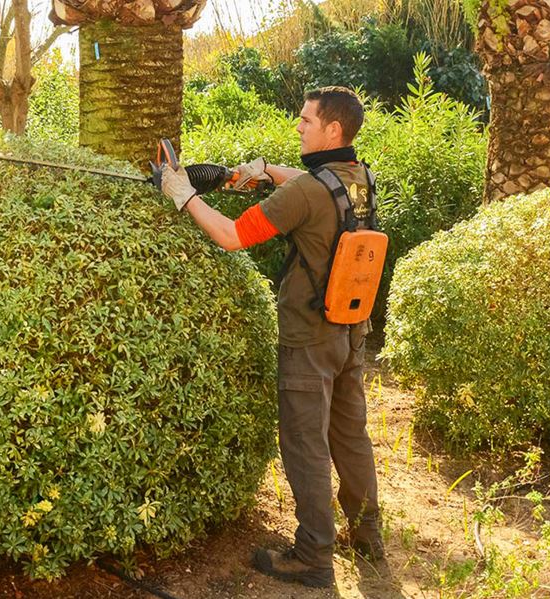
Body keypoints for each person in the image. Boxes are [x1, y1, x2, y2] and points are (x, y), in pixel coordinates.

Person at [160, 86, 384, 589]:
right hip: (352, 331)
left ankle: (312, 557)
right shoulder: (359, 177)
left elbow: (232, 236)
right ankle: (368, 534)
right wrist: (264, 173)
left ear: (332, 130)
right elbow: (312, 183)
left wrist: (185, 194)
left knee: (305, 444)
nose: (298, 128)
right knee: (349, 435)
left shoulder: (306, 192)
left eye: (306, 122)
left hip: (309, 338)